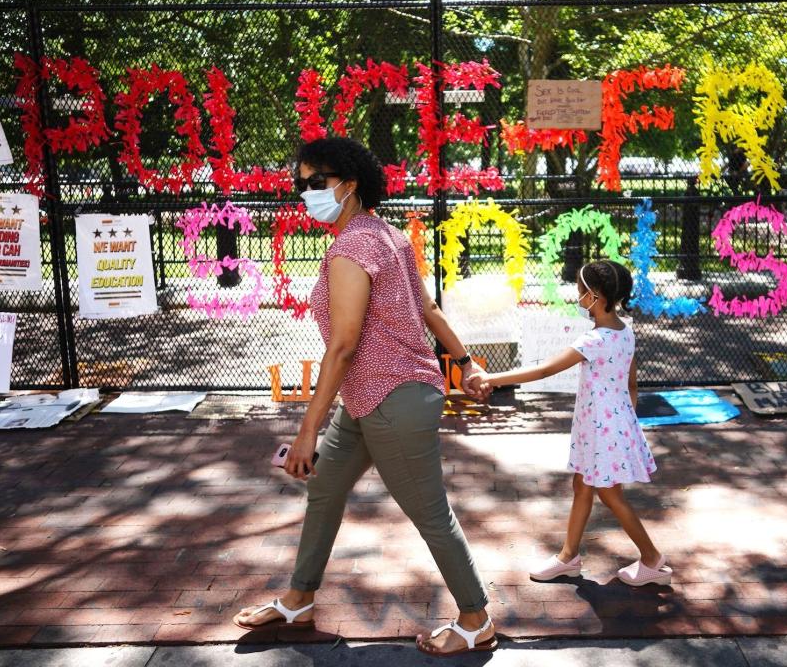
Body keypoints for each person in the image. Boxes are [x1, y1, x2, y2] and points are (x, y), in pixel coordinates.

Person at [232, 137, 497, 657]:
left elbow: (344, 344)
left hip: (392, 401)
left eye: (317, 183)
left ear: (349, 185)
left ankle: (476, 617)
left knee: (429, 513)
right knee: (325, 490)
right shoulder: (387, 235)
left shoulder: (352, 246)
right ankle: (299, 598)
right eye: (300, 185)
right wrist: (465, 364)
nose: (306, 193)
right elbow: (428, 309)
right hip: (372, 399)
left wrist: (307, 430)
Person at [467, 260, 671, 586]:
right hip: (609, 425)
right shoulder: (625, 332)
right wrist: (625, 423)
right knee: (583, 486)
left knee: (609, 494)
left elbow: (544, 370)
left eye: (580, 292)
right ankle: (568, 557)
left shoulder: (594, 341)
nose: (577, 299)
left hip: (601, 430)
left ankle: (652, 559)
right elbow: (631, 385)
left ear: (595, 296)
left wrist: (490, 376)